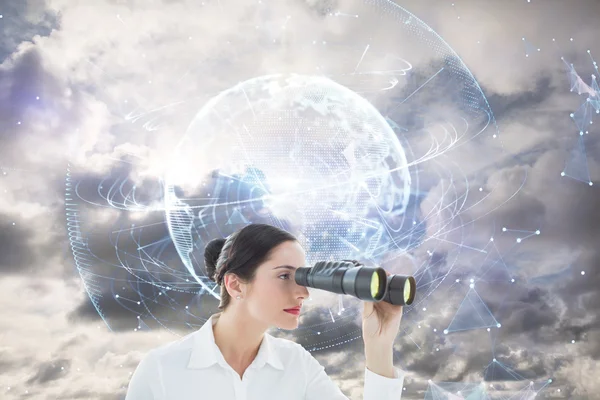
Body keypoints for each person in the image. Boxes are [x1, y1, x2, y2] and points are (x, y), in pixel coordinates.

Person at [125, 223, 406, 399]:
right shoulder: (162, 368)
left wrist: (379, 346)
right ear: (235, 284)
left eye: (303, 278)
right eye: (285, 276)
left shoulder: (296, 363)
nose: (303, 293)